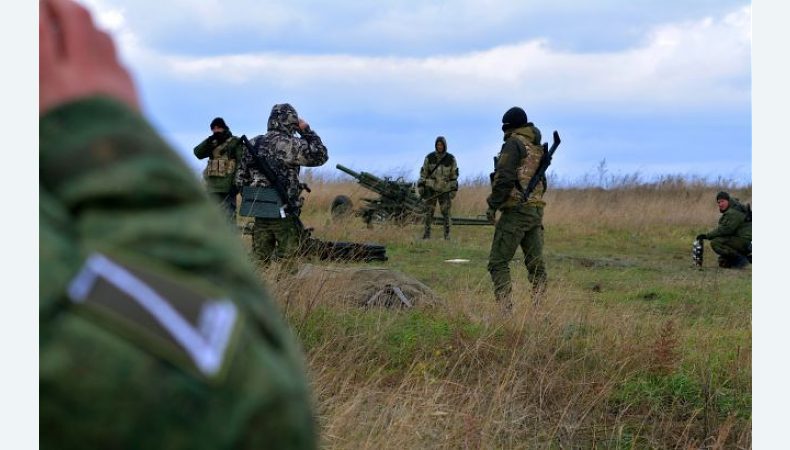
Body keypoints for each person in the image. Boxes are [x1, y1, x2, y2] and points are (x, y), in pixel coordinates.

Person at [39, 1, 317, 448]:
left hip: (239, 200)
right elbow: (252, 409)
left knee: (260, 245)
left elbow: (242, 173)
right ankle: (278, 276)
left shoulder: (251, 144)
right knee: (275, 249)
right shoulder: (251, 144)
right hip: (239, 203)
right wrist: (99, 129)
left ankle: (276, 275)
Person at [235, 103, 328, 269]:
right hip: (284, 214)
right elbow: (320, 155)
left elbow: (240, 179)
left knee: (258, 263)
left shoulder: (253, 143)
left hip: (259, 212)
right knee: (289, 263)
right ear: (290, 122)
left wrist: (258, 198)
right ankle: (286, 293)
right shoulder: (290, 144)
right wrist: (306, 130)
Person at [486, 107, 547, 311]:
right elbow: (542, 183)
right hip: (535, 211)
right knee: (536, 266)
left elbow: (504, 177)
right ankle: (539, 311)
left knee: (498, 262)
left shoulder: (513, 144)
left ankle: (505, 312)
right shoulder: (535, 146)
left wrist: (493, 205)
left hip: (516, 211)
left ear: (508, 127)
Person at [193, 117, 244, 223]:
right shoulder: (212, 142)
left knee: (229, 220)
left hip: (228, 188)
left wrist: (236, 184)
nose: (216, 131)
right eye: (213, 129)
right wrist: (209, 140)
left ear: (224, 128)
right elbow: (198, 153)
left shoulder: (234, 142)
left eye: (218, 128)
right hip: (212, 188)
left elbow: (241, 163)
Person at [696, 191, 752, 268]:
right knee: (723, 262)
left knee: (716, 242)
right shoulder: (734, 208)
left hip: (744, 241)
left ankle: (741, 259)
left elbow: (726, 229)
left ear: (728, 200)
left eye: (723, 201)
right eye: (719, 202)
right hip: (742, 239)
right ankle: (738, 258)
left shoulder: (733, 212)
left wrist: (707, 236)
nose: (720, 204)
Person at [417, 136, 459, 240]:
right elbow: (423, 174)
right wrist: (421, 187)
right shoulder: (429, 157)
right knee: (428, 213)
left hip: (444, 190)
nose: (439, 146)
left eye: (441, 145)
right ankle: (426, 235)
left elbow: (453, 176)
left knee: (446, 213)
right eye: (438, 145)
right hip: (430, 189)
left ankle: (447, 236)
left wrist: (453, 190)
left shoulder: (451, 159)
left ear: (445, 146)